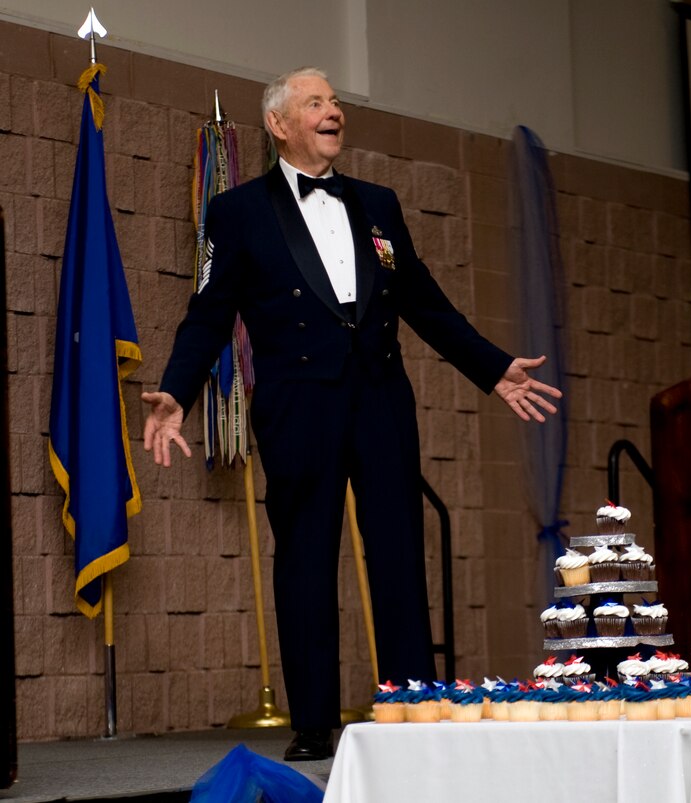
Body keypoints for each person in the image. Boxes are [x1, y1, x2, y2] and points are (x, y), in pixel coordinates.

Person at [142, 67, 562, 761]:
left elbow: (425, 301)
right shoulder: (236, 213)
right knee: (306, 559)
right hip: (298, 405)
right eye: (316, 102)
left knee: (399, 549)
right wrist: (177, 393)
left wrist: (493, 367)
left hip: (380, 399)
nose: (333, 110)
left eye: (335, 100)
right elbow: (209, 313)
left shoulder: (378, 203)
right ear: (280, 123)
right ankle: (313, 722)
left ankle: (414, 703)